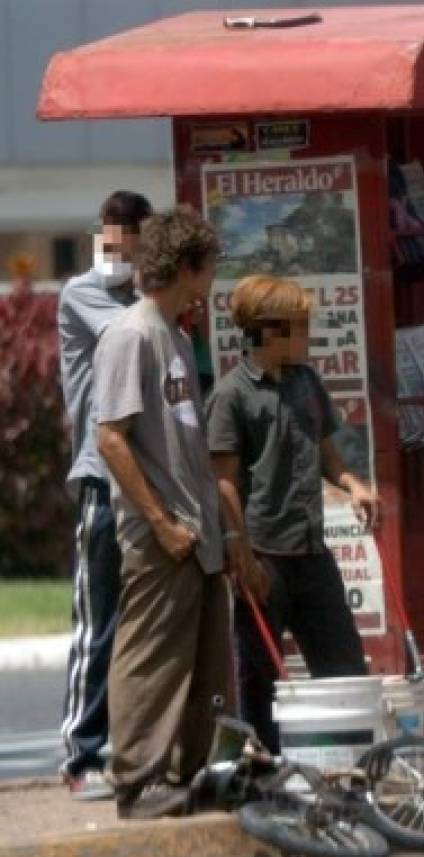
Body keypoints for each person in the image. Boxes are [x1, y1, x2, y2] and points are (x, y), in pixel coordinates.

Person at [92, 208, 236, 819]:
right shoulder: (133, 334)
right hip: (163, 534)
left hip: (197, 533)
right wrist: (160, 522)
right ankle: (136, 780)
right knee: (151, 657)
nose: (210, 285)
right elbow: (112, 439)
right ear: (186, 268)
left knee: (205, 661)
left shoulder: (177, 337)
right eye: (207, 271)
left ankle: (187, 772)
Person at [205, 275, 377, 753]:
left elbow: (327, 454)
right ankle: (265, 769)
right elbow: (224, 481)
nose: (308, 336)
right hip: (263, 556)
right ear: (270, 331)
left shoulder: (307, 382)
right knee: (262, 676)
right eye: (299, 327)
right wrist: (242, 554)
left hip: (311, 550)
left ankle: (354, 763)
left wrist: (352, 484)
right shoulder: (231, 395)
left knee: (343, 666)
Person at [57, 190, 153, 800]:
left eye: (137, 244)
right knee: (98, 623)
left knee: (141, 624)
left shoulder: (140, 297)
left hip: (148, 479)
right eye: (121, 241)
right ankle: (81, 753)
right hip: (102, 479)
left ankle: (131, 743)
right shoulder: (85, 294)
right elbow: (133, 337)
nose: (127, 254)